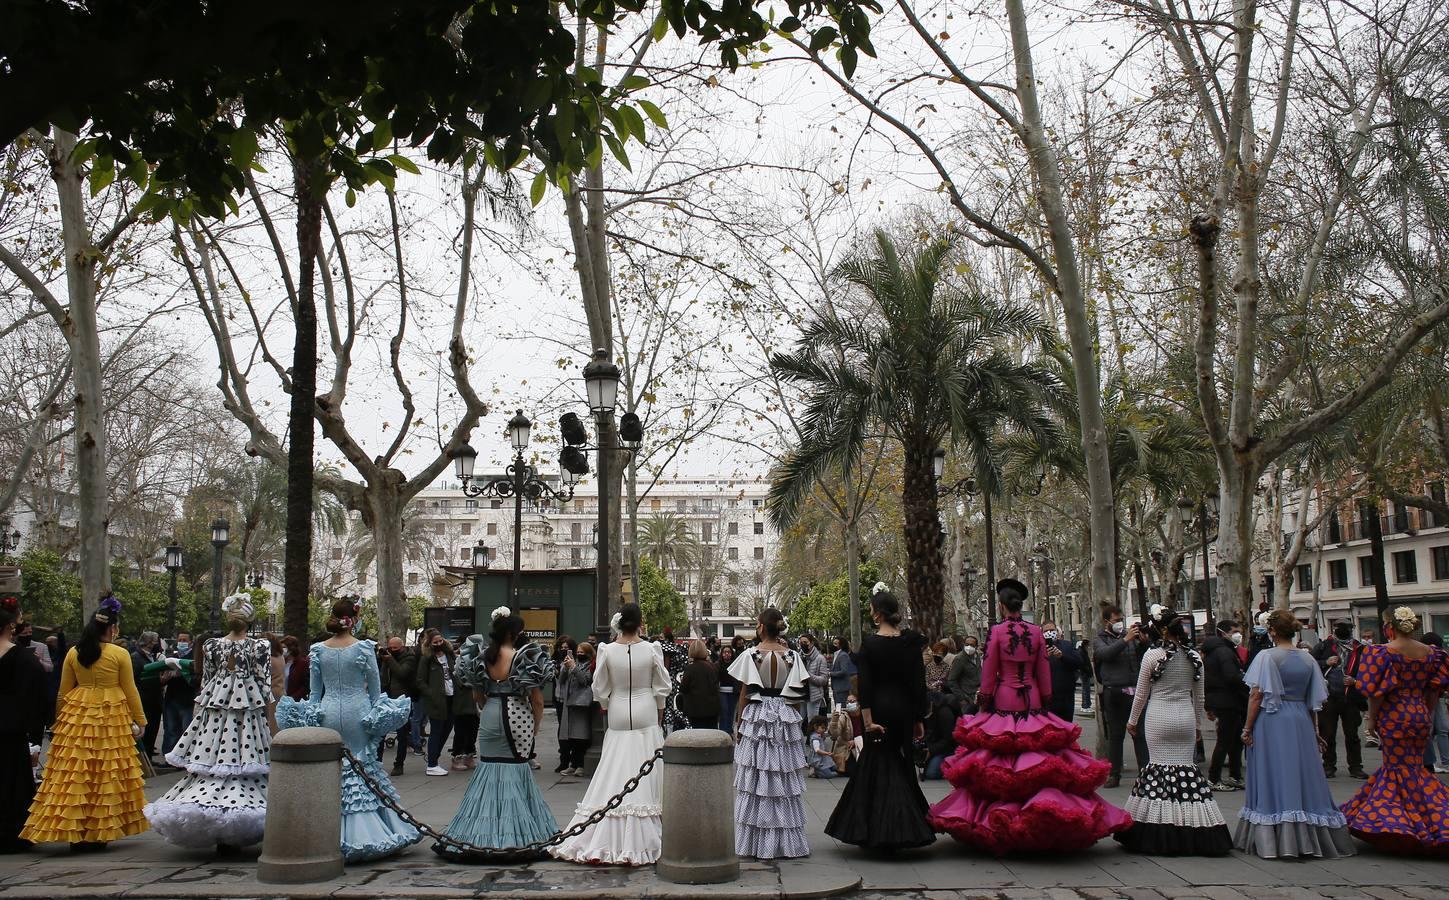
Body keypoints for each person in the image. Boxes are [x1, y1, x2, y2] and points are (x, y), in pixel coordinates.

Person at [928, 579, 1128, 855]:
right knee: (1038, 760)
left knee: (1004, 761)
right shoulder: (1035, 632)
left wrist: (984, 700)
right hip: (1033, 697)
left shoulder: (997, 632)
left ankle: (1000, 819)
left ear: (1001, 605)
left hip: (1005, 697)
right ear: (1020, 605)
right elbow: (1042, 670)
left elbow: (989, 673)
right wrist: (1045, 698)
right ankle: (1038, 814)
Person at [276, 598, 420, 862]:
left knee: (332, 767)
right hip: (358, 712)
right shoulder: (364, 648)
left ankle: (325, 829)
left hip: (328, 712)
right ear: (354, 619)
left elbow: (315, 693)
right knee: (363, 764)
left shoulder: (319, 650)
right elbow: (376, 692)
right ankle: (369, 832)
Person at [146, 594, 272, 851]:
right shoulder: (259, 647)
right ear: (250, 621)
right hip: (247, 708)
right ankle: (238, 823)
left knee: (211, 760)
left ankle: (213, 817)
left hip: (215, 708)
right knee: (245, 759)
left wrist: (202, 709)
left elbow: (206, 681)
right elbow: (264, 681)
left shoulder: (212, 645)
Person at [22, 595, 148, 850]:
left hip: (77, 714)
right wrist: (141, 720)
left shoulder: (74, 651)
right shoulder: (119, 653)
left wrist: (60, 721)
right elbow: (130, 688)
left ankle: (75, 828)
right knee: (104, 772)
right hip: (110, 714)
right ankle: (98, 830)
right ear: (112, 628)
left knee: (75, 775)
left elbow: (63, 691)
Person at [551, 603, 671, 865]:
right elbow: (661, 688)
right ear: (640, 623)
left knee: (615, 767)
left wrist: (607, 704)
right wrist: (659, 715)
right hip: (646, 710)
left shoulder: (607, 650)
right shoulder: (652, 649)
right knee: (647, 767)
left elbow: (600, 688)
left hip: (618, 711)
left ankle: (606, 825)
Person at [433, 607, 557, 861]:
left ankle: (478, 832)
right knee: (516, 768)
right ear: (514, 633)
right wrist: (536, 725)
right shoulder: (522, 657)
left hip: (490, 713)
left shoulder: (483, 656)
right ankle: (518, 834)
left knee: (489, 768)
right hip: (517, 715)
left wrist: (488, 704)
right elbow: (537, 699)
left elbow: (477, 694)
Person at [1233, 609, 1353, 859]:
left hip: (1272, 719)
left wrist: (1247, 728)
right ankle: (1310, 832)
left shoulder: (1266, 657)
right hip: (1300, 719)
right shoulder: (1308, 659)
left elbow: (1257, 695)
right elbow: (1314, 702)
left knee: (1273, 772)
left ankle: (1275, 836)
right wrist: (1315, 730)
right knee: (1302, 772)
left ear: (1272, 631)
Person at [1115, 605, 1232, 855]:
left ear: (1160, 629)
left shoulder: (1152, 655)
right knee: (1186, 772)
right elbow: (1199, 697)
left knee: (1158, 770)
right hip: (1185, 718)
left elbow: (1141, 694)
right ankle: (1194, 829)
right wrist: (1198, 725)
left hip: (1159, 716)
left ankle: (1158, 830)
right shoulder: (1194, 657)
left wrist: (1132, 720)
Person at [827, 585, 937, 852]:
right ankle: (907, 825)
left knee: (877, 762)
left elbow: (865, 685)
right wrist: (919, 717)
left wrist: (867, 720)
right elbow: (917, 683)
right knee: (902, 762)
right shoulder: (910, 642)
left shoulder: (871, 644)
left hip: (879, 708)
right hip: (903, 709)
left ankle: (880, 828)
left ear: (877, 615)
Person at [1339, 607, 1449, 853]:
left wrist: (1372, 721)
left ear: (1390, 627)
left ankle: (1398, 825)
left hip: (1394, 714)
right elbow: (1433, 690)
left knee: (1395, 769)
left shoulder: (1382, 653)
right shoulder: (1432, 654)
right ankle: (1431, 820)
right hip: (1418, 712)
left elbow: (1376, 692)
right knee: (1416, 768)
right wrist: (1426, 714)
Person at [730, 607, 811, 858]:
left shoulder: (751, 655)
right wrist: (794, 725)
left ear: (761, 627)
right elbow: (796, 697)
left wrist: (739, 724)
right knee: (783, 779)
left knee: (757, 779)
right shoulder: (793, 656)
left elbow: (745, 692)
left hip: (757, 714)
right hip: (784, 714)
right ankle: (786, 843)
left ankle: (755, 843)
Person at [1, 599, 47, 853]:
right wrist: (35, 736)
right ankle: (12, 832)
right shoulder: (23, 659)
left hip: (11, 727)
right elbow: (36, 698)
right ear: (10, 626)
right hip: (11, 730)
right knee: (12, 782)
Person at [1091, 604, 1151, 787]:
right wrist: (1125, 640)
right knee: (1116, 735)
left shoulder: (1131, 636)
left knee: (1140, 733)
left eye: (1121, 620)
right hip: (1114, 692)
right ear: (1106, 621)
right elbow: (1105, 654)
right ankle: (1114, 774)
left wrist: (1143, 643)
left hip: (1135, 690)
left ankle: (1145, 774)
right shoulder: (1100, 639)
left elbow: (1142, 658)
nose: (1120, 623)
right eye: (1116, 620)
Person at [1312, 618, 1368, 780]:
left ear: (1352, 629)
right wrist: (1325, 662)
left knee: (1352, 735)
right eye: (1339, 627)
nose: (1342, 630)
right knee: (1327, 733)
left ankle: (1356, 767)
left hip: (1351, 698)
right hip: (1328, 697)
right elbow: (1310, 663)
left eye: (1346, 627)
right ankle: (1328, 766)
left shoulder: (1360, 648)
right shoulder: (1324, 646)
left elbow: (1368, 671)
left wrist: (1356, 681)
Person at [1201, 620, 1247, 792]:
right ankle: (1214, 778)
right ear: (1224, 632)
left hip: (1222, 699)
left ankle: (1234, 775)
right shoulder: (1225, 652)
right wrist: (1247, 682)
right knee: (1226, 740)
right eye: (1235, 631)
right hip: (1228, 700)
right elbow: (1231, 676)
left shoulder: (1215, 651)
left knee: (1233, 740)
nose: (1238, 635)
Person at [417, 628, 459, 776]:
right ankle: (432, 764)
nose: (439, 643)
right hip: (436, 700)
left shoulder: (449, 654)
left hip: (451, 697)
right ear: (430, 643)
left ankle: (434, 757)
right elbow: (420, 681)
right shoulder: (427, 659)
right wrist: (431, 694)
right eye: (435, 642)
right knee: (436, 730)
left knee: (447, 728)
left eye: (440, 640)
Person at [377, 636, 417, 777]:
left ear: (402, 646)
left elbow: (402, 673)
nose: (392, 651)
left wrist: (389, 659)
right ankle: (377, 763)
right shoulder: (386, 657)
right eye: (390, 648)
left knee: (402, 734)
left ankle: (399, 764)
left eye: (395, 648)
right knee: (380, 733)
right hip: (385, 698)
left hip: (401, 699)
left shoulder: (409, 658)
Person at [554, 639, 595, 776]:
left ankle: (581, 765)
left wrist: (573, 667)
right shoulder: (574, 663)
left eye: (582, 652)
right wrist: (566, 667)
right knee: (571, 736)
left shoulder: (590, 665)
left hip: (582, 704)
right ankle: (573, 764)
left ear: (588, 653)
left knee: (581, 736)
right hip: (570, 703)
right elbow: (561, 681)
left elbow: (585, 680)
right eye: (577, 652)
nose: (579, 654)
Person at [161, 632, 198, 757]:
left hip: (187, 699)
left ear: (191, 642)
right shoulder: (171, 656)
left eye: (185, 640)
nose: (181, 642)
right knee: (171, 730)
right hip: (172, 698)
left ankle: (184, 756)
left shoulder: (194, 657)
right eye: (180, 639)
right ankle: (169, 755)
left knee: (186, 730)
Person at [129, 631, 164, 762]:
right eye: (155, 641)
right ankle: (141, 762)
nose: (156, 644)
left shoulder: (154, 657)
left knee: (152, 731)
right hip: (144, 699)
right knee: (143, 732)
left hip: (155, 699)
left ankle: (148, 758)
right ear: (149, 643)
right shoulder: (136, 657)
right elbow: (133, 679)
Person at [1041, 621, 1082, 723]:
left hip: (1066, 697)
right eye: (1046, 631)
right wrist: (1045, 657)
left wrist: (1062, 656)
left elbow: (1078, 663)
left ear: (1057, 631)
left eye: (1052, 630)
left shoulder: (1067, 645)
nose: (1049, 633)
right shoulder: (1039, 648)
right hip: (1048, 698)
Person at [1420, 632, 1449, 773]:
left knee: (1442, 728)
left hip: (1435, 695)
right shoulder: (1439, 656)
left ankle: (1444, 761)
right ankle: (1430, 762)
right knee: (1431, 730)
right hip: (1428, 695)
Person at [679, 640, 720, 729]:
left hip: (695, 709)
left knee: (698, 736)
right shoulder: (713, 667)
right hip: (712, 709)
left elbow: (683, 688)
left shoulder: (690, 668)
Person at [921, 690, 957, 781]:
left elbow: (949, 739)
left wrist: (931, 750)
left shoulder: (945, 713)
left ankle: (954, 763)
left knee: (931, 773)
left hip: (950, 747)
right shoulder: (927, 710)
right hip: (935, 743)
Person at [797, 634, 830, 727]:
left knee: (812, 721)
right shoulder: (798, 657)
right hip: (801, 694)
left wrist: (808, 675)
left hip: (814, 695)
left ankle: (814, 740)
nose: (802, 645)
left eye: (805, 642)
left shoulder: (820, 658)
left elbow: (824, 680)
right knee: (798, 720)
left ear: (811, 643)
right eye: (800, 643)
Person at [945, 635, 982, 713]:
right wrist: (962, 698)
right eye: (967, 644)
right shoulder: (960, 659)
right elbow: (951, 681)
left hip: (978, 696)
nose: (969, 647)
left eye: (972, 645)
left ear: (976, 647)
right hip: (967, 698)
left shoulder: (977, 656)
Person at [829, 637, 856, 710]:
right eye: (833, 643)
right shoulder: (836, 655)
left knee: (842, 710)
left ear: (841, 645)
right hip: (836, 688)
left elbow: (844, 671)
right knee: (838, 710)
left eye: (835, 643)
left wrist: (830, 674)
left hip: (842, 688)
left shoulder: (843, 655)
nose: (833, 645)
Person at [717, 645, 739, 732]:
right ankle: (723, 731)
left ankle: (730, 731)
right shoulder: (717, 665)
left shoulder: (736, 664)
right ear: (722, 654)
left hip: (733, 692)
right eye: (725, 652)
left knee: (731, 712)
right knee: (724, 711)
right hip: (722, 691)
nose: (727, 654)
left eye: (729, 652)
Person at [1077, 639, 1095, 712]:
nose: (1088, 647)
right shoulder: (1082, 652)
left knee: (1086, 689)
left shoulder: (1082, 651)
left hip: (1084, 673)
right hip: (1084, 673)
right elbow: (1083, 664)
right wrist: (1088, 671)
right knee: (1086, 689)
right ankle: (1085, 706)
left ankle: (1086, 705)